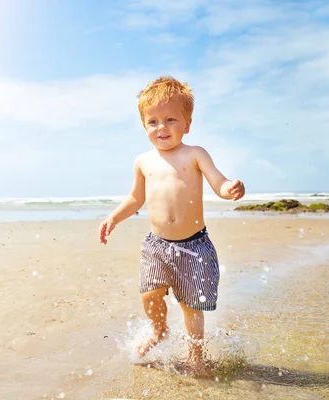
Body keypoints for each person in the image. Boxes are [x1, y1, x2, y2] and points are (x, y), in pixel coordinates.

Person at [98, 75, 245, 370]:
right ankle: (158, 330)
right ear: (144, 126)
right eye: (153, 122)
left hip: (194, 246)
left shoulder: (194, 154)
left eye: (170, 120)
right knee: (149, 293)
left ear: (187, 124)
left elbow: (218, 182)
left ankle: (195, 355)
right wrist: (114, 217)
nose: (161, 127)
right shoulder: (143, 161)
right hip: (157, 245)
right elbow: (136, 199)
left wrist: (230, 189)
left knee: (191, 305)